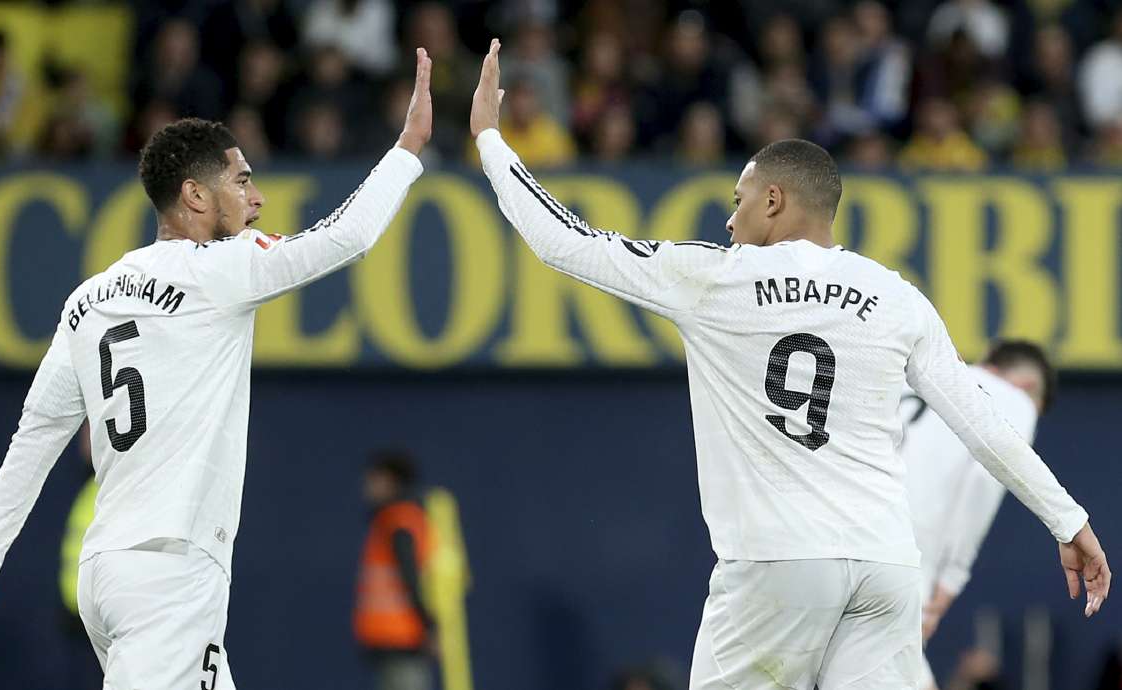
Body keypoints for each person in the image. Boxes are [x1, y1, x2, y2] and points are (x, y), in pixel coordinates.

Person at [470, 39, 1109, 689]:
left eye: (740, 198)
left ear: (774, 200)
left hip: (775, 567)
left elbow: (563, 242)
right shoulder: (897, 297)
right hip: (884, 568)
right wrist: (1068, 520)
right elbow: (981, 419)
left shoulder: (715, 278)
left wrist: (491, 142)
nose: (729, 217)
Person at [0, 47, 433, 689]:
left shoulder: (88, 299)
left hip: (105, 573)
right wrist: (409, 148)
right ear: (195, 193)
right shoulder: (219, 270)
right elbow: (344, 237)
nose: (258, 197)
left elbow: (37, 437)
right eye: (242, 180)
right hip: (170, 571)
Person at [902, 341, 1055, 690]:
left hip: (823, 535)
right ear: (1028, 387)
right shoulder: (1013, 400)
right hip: (901, 558)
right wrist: (947, 587)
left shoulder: (913, 377)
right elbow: (982, 485)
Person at [355, 450, 435, 690]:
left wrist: (429, 627)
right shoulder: (391, 519)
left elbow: (411, 578)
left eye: (374, 478)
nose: (366, 486)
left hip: (403, 638)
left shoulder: (399, 521)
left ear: (390, 481)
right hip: (391, 640)